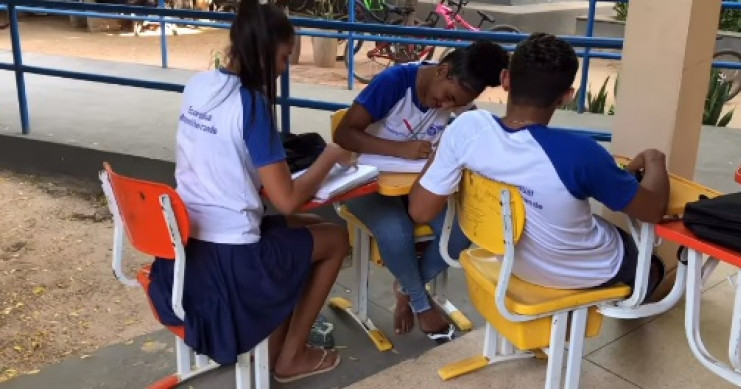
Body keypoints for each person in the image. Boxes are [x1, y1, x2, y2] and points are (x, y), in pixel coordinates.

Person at [147, 1, 353, 383]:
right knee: (336, 238)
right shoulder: (251, 104)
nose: (284, 67)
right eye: (284, 56)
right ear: (263, 51)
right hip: (234, 261)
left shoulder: (200, 85)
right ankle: (291, 356)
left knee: (300, 226)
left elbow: (227, 163)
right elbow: (286, 198)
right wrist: (328, 158)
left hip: (187, 247)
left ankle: (274, 344)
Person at [408, 33, 669, 300]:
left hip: (510, 260)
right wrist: (655, 159)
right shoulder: (581, 154)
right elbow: (652, 210)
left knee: (590, 221)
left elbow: (420, 210)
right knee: (648, 262)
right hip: (585, 270)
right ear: (566, 96)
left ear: (505, 80)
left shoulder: (466, 129)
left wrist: (444, 151)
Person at [334, 41, 510, 336]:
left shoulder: (460, 95)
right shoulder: (394, 83)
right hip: (365, 181)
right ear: (443, 71)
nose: (446, 107)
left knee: (462, 230)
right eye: (447, 97)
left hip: (414, 186)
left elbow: (475, 134)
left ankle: (406, 288)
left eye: (456, 104)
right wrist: (399, 149)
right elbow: (344, 133)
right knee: (396, 229)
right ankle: (421, 303)